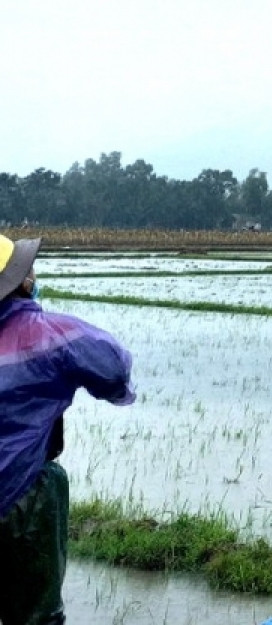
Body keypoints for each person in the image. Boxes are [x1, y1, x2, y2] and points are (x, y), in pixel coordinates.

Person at [0, 234, 135, 625]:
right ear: (23, 282)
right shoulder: (49, 335)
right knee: (36, 617)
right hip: (26, 494)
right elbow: (113, 368)